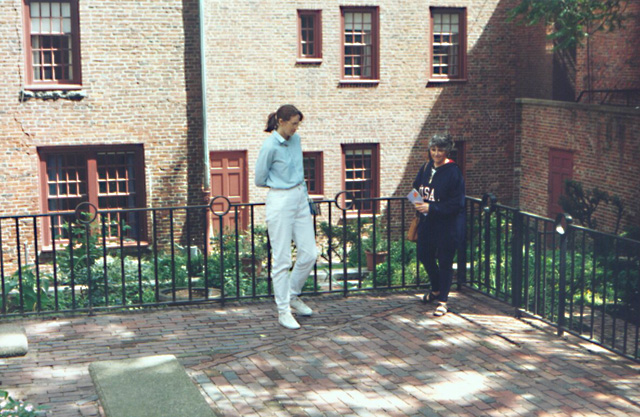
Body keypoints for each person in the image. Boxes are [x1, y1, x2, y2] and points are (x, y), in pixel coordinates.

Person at [255, 104, 318, 329]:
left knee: (310, 253)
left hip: (300, 197)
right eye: (293, 124)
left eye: (298, 124)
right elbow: (259, 179)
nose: (296, 128)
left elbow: (299, 172)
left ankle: (292, 294)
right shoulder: (269, 146)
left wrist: (304, 196)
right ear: (281, 122)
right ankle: (283, 311)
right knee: (282, 259)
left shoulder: (296, 140)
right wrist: (281, 184)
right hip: (280, 200)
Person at [412, 133, 465, 317]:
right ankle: (436, 289)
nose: (436, 153)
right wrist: (418, 204)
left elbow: (457, 204)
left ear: (447, 151)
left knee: (445, 261)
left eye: (440, 150)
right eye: (433, 149)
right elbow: (414, 189)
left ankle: (443, 301)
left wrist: (432, 207)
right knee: (423, 255)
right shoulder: (426, 167)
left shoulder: (453, 172)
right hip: (427, 223)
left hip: (447, 225)